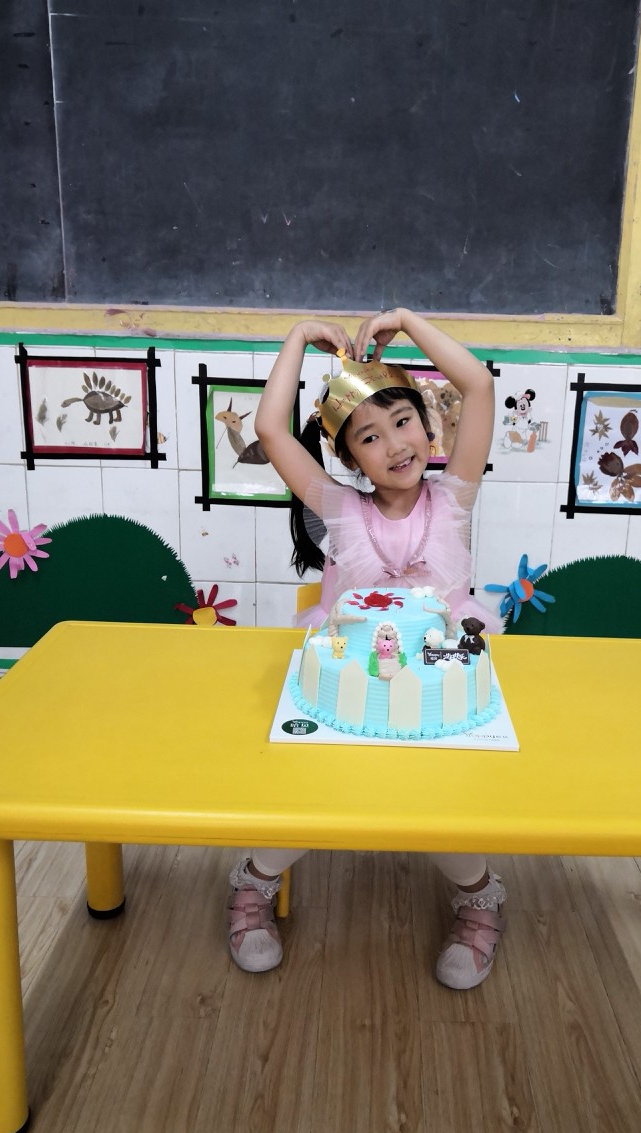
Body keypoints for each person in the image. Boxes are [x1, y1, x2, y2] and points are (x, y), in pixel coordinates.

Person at [229, 308, 506, 991]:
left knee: (440, 805)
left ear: (429, 427)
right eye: (370, 437)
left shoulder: (456, 497)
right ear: (350, 459)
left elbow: (478, 386)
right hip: (347, 695)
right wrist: (297, 337)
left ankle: (479, 901)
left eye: (403, 422)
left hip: (436, 697)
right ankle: (254, 885)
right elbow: (271, 429)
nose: (394, 445)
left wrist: (408, 323)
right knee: (313, 796)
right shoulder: (337, 508)